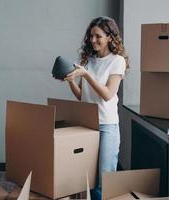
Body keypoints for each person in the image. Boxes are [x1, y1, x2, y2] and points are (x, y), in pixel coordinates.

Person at [64, 16, 129, 200]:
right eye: (91, 36)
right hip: (86, 125)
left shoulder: (117, 61)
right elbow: (82, 97)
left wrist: (86, 75)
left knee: (104, 180)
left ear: (110, 37)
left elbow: (108, 94)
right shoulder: (87, 60)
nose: (93, 40)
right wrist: (71, 81)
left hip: (107, 126)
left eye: (98, 36)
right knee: (86, 178)